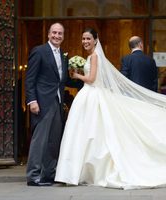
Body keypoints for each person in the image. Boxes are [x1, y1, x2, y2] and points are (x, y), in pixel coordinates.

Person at [55, 28, 166, 190]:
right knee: (88, 133)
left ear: (95, 40)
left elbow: (92, 79)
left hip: (91, 95)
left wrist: (76, 75)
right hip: (90, 96)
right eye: (83, 39)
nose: (85, 41)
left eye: (88, 39)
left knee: (89, 132)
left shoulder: (94, 57)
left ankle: (79, 171)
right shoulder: (94, 56)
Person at [25, 22, 69, 186]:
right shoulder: (39, 51)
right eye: (54, 33)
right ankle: (33, 175)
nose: (57, 36)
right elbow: (30, 79)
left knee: (53, 140)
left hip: (57, 102)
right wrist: (32, 100)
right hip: (42, 102)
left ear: (63, 36)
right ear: (49, 34)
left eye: (60, 33)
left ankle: (49, 174)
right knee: (40, 139)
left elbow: (62, 79)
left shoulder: (63, 55)